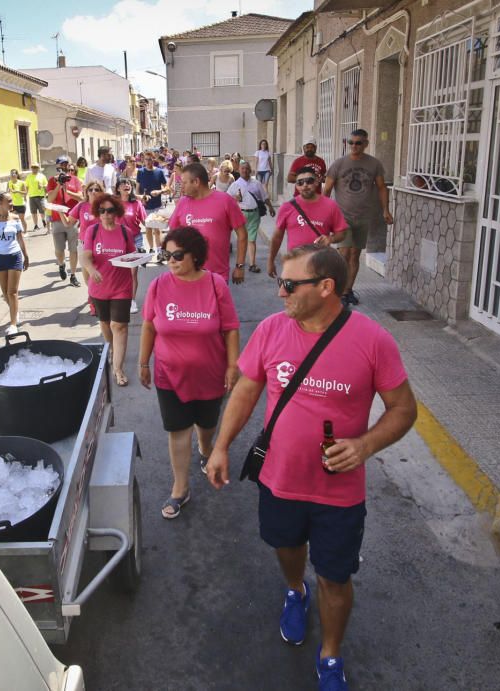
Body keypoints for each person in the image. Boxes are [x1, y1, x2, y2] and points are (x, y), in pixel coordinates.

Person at [206, 245, 417, 691]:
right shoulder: (270, 330)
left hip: (339, 494)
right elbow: (246, 390)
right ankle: (294, 592)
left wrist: (364, 445)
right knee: (286, 547)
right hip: (279, 480)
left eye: (288, 284)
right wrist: (221, 446)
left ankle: (332, 656)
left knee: (335, 578)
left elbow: (403, 410)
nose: (279, 292)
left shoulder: (372, 340)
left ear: (326, 287)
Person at [138, 226, 240, 519]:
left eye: (177, 255)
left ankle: (205, 445)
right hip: (169, 374)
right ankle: (180, 488)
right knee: (177, 429)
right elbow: (149, 326)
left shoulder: (216, 284)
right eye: (165, 254)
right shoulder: (158, 285)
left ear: (195, 256)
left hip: (211, 373)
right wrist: (144, 363)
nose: (170, 259)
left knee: (207, 423)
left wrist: (233, 366)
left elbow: (230, 329)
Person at [324, 129, 393, 306]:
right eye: (351, 142)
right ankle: (337, 291)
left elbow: (381, 188)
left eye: (358, 143)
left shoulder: (374, 164)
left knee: (355, 255)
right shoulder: (339, 164)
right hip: (342, 216)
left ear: (366, 144)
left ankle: (347, 291)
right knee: (344, 254)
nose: (354, 146)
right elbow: (327, 189)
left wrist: (386, 210)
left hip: (363, 216)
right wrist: (324, 213)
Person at [80, 193, 137, 387]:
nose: (106, 214)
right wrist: (91, 269)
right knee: (105, 324)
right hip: (99, 288)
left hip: (122, 287)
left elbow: (132, 256)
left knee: (118, 326)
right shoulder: (92, 231)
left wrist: (137, 263)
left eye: (110, 210)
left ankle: (118, 368)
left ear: (117, 212)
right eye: (102, 210)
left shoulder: (125, 232)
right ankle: (111, 348)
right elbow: (86, 256)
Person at [168, 162, 248, 285]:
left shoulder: (226, 201)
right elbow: (172, 234)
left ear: (196, 182)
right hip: (187, 275)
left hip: (217, 276)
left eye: (184, 183)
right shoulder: (183, 203)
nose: (181, 186)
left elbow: (242, 235)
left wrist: (240, 266)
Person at [268, 166, 348, 278]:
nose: (305, 185)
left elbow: (342, 233)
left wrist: (330, 239)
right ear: (296, 186)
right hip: (295, 263)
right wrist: (271, 261)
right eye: (300, 182)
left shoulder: (331, 205)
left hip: (321, 264)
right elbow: (277, 237)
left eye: (309, 181)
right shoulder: (287, 207)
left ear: (316, 182)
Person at [0, 191, 29, 335]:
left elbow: (20, 238)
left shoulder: (15, 218)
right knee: (5, 293)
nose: (11, 203)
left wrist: (26, 256)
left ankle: (13, 324)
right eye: (8, 201)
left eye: (11, 200)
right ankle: (15, 312)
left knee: (12, 292)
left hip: (14, 257)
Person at [227, 161, 276, 273]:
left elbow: (264, 197)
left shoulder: (256, 183)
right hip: (240, 214)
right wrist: (235, 198)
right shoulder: (235, 185)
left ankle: (252, 264)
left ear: (251, 170)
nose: (245, 170)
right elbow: (227, 199)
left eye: (247, 168)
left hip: (254, 214)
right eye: (243, 168)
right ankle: (240, 263)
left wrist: (271, 207)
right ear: (239, 170)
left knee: (252, 239)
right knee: (242, 239)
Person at [65, 181, 106, 315]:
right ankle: (92, 300)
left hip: (102, 244)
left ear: (101, 191)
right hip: (84, 244)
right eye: (90, 190)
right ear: (86, 192)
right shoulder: (81, 206)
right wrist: (59, 211)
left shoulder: (105, 206)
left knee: (102, 273)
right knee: (88, 274)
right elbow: (68, 223)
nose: (93, 192)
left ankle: (102, 298)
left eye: (97, 189)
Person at [45, 156, 84, 287]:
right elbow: (50, 199)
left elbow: (81, 198)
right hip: (57, 220)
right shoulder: (52, 180)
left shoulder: (75, 180)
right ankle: (61, 265)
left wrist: (67, 191)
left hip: (72, 220)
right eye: (62, 164)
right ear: (58, 166)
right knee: (59, 250)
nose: (65, 166)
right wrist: (58, 186)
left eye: (67, 164)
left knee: (74, 249)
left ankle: (73, 275)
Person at [117, 177, 147, 314]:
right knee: (119, 272)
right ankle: (119, 298)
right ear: (118, 189)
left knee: (132, 272)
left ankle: (132, 301)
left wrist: (157, 225)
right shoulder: (113, 203)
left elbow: (145, 221)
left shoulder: (137, 203)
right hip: (117, 241)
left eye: (128, 183)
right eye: (123, 184)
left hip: (135, 239)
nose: (126, 185)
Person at [136, 152, 167, 257]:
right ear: (143, 160)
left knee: (157, 230)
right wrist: (140, 199)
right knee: (148, 229)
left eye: (150, 159)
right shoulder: (140, 172)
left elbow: (166, 188)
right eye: (146, 159)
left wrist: (159, 191)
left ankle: (159, 252)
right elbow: (137, 189)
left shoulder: (159, 172)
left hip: (157, 205)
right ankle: (151, 249)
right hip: (145, 206)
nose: (148, 162)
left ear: (154, 160)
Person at [24, 163, 48, 230]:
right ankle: (36, 225)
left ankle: (43, 220)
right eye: (33, 167)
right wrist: (25, 196)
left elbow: (46, 185)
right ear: (31, 168)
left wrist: (42, 186)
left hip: (40, 196)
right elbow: (27, 187)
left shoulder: (42, 176)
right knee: (33, 212)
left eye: (36, 167)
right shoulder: (29, 176)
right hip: (32, 196)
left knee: (42, 211)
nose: (34, 169)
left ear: (38, 168)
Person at [7, 168, 29, 233]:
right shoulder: (9, 183)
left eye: (14, 173)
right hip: (12, 204)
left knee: (22, 219)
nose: (13, 175)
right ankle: (15, 232)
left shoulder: (21, 183)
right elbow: (7, 192)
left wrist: (17, 191)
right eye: (11, 173)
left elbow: (25, 192)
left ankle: (25, 231)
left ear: (17, 175)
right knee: (12, 219)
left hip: (20, 204)